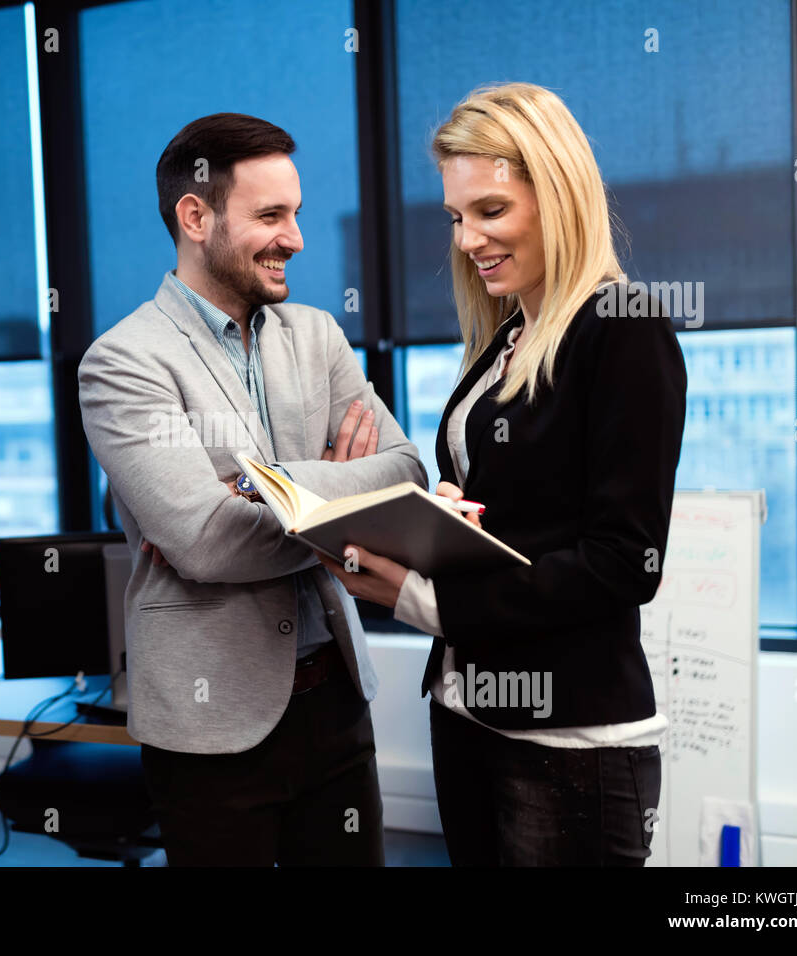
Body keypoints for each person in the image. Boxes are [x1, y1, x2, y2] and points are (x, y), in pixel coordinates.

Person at [318, 83, 688, 866]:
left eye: (490, 211)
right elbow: (523, 514)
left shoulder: (623, 327)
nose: (466, 239)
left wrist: (423, 597)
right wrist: (440, 520)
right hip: (466, 709)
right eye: (456, 217)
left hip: (568, 738)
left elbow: (624, 563)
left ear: (556, 195)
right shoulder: (510, 332)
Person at [78, 113, 426, 865]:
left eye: (294, 213)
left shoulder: (318, 336)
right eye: (270, 216)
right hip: (211, 726)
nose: (295, 238)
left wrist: (273, 488)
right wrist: (340, 521)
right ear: (195, 216)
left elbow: (406, 474)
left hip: (336, 702)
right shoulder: (123, 363)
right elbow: (203, 542)